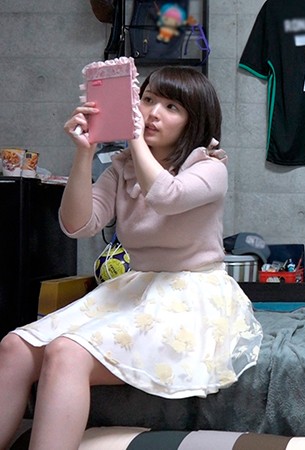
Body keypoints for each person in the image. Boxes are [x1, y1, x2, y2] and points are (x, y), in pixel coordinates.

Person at [0, 66, 263, 450]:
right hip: (137, 286)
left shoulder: (209, 167)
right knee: (13, 346)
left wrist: (133, 135)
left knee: (67, 351)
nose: (153, 113)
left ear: (194, 120)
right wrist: (85, 153)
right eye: (148, 99)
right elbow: (77, 224)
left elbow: (167, 196)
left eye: (171, 107)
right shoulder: (122, 168)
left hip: (191, 293)